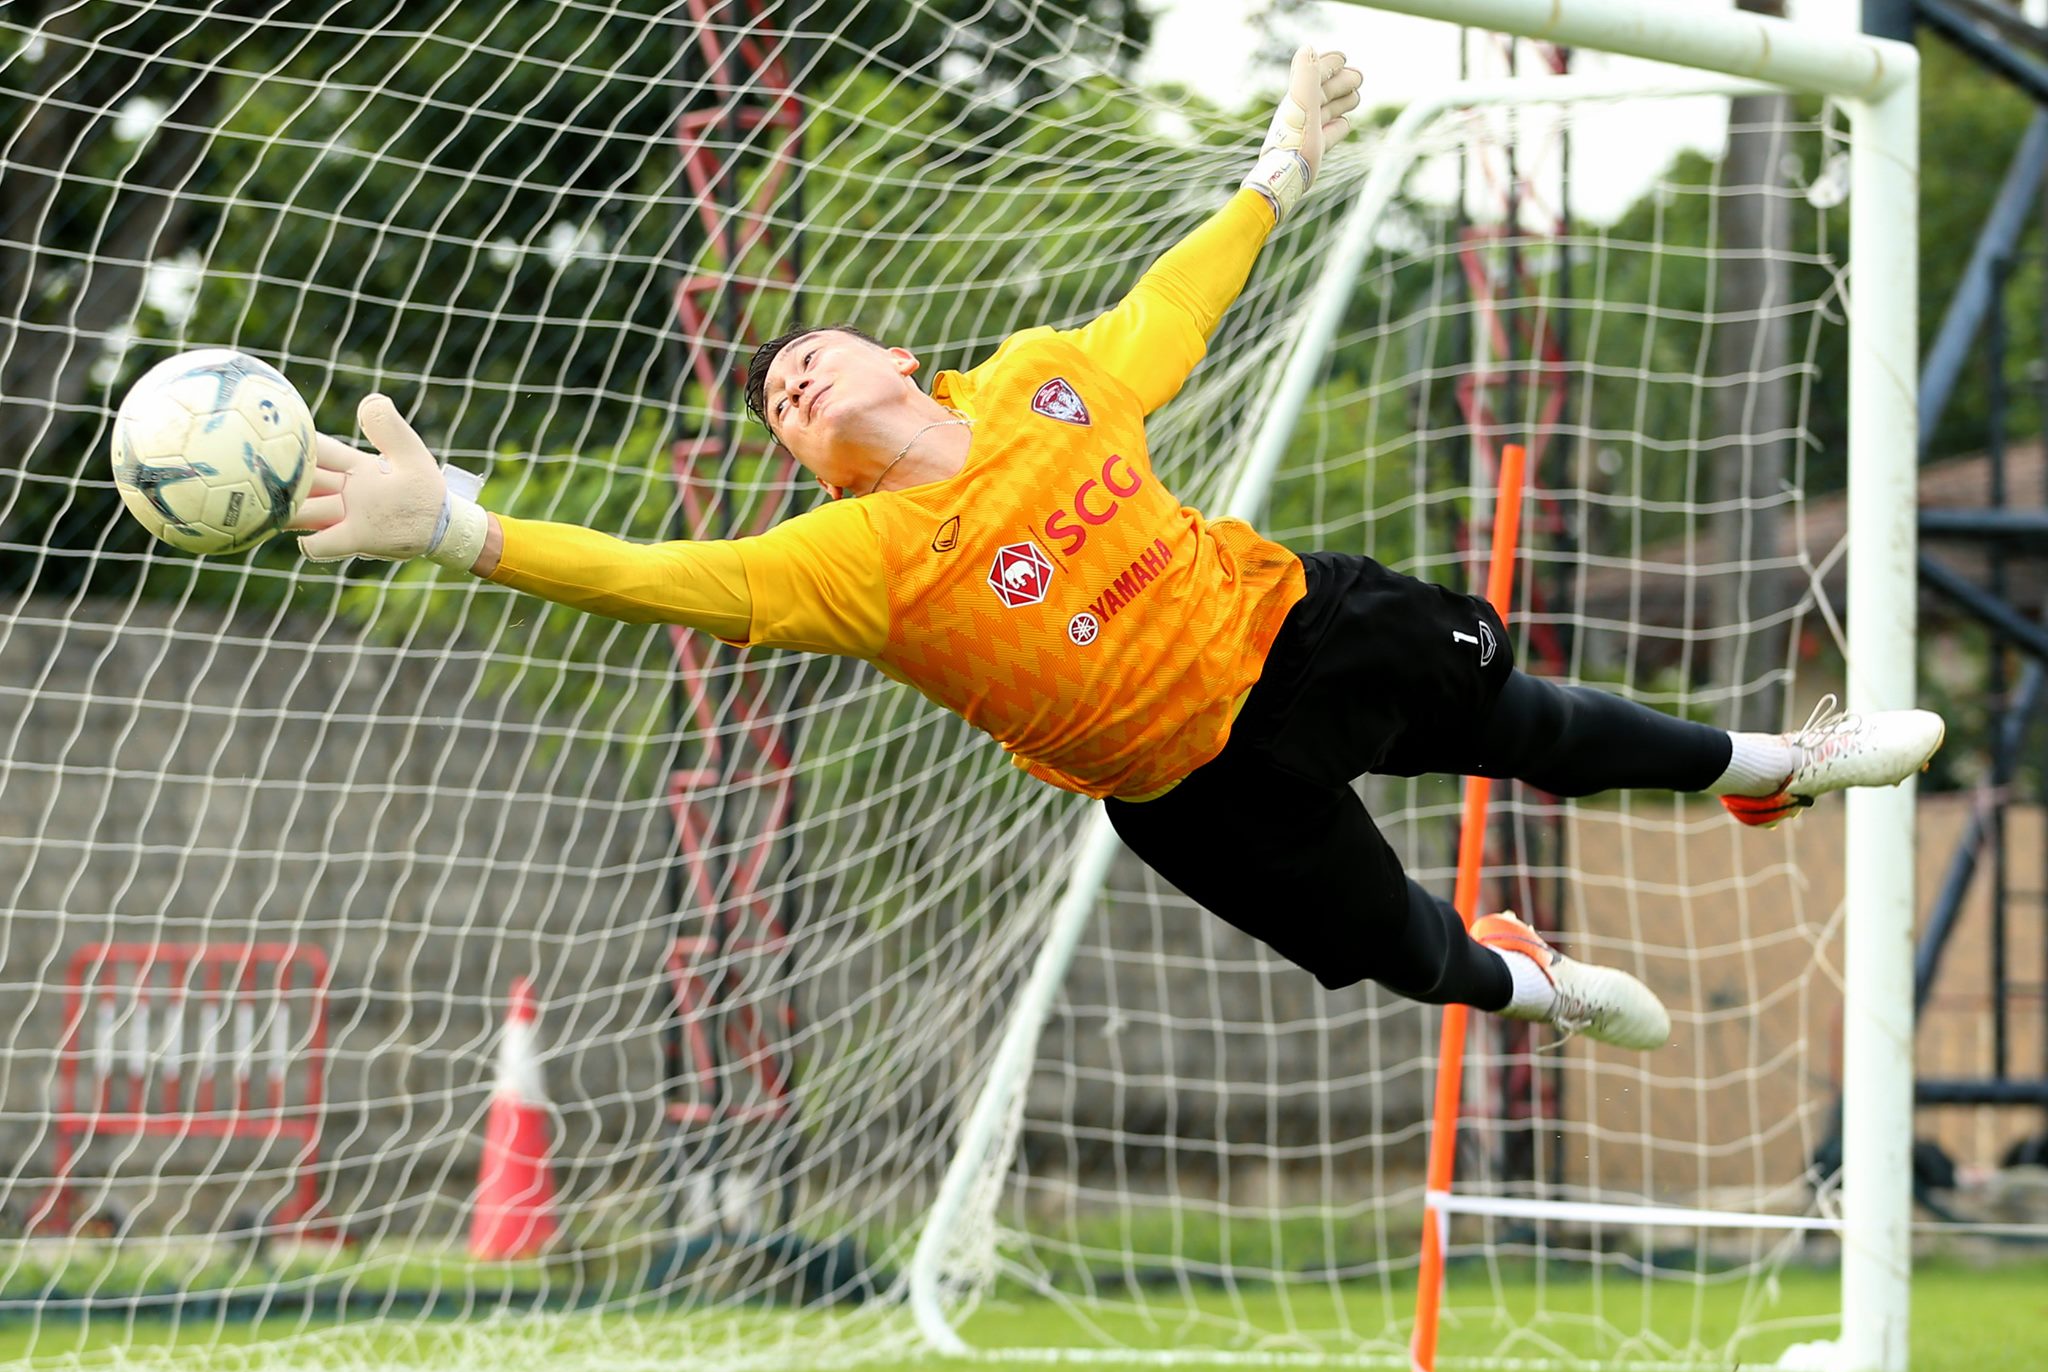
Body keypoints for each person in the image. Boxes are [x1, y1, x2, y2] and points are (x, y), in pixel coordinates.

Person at [293, 48, 1944, 1052]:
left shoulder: (1038, 384)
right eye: (779, 401)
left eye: (812, 355)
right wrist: (452, 526)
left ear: (899, 361)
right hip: (1192, 791)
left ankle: (1771, 764)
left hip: (1297, 631)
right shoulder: (850, 559)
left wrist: (1286, 156)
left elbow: (1176, 300)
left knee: (1533, 729)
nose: (793, 381)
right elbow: (660, 579)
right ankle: (1544, 987)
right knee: (1411, 955)